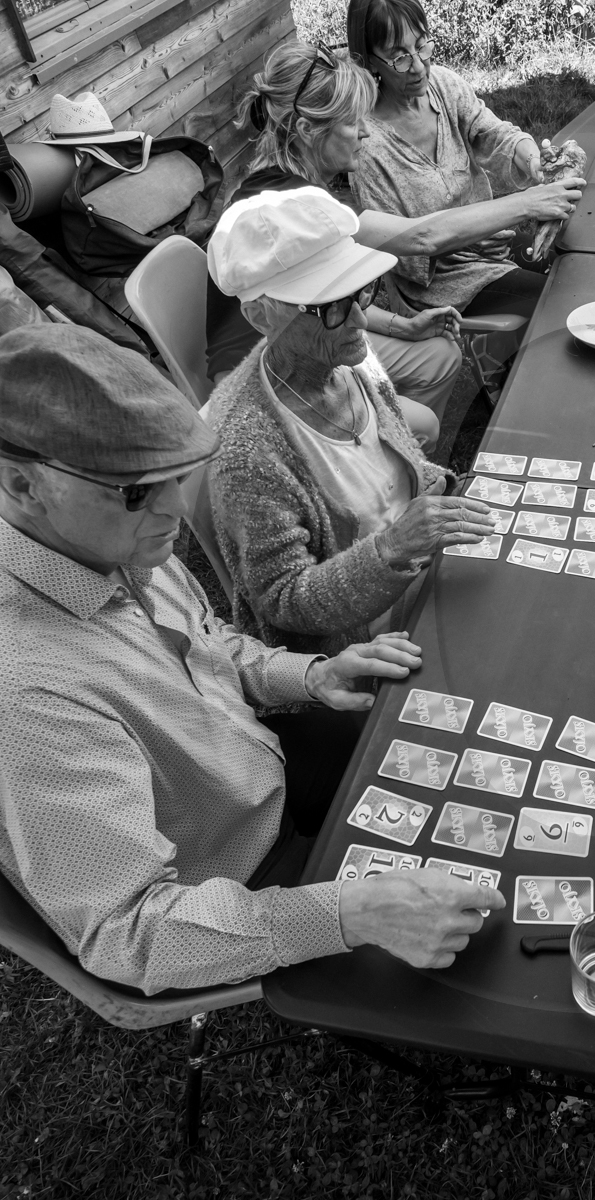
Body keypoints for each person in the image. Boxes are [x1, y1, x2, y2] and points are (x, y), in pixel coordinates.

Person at [0, 323, 504, 995]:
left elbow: (206, 649)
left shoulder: (105, 541)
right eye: (134, 490)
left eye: (179, 476)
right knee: (489, 938)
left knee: (475, 768)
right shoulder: (29, 696)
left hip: (264, 765)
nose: (176, 510)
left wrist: (310, 674)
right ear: (21, 485)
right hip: (233, 880)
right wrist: (351, 913)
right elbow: (129, 933)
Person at [205, 41, 584, 415]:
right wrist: (529, 202)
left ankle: (397, 445)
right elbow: (421, 237)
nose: (367, 134)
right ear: (306, 129)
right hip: (267, 372)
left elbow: (326, 303)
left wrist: (403, 327)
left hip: (308, 334)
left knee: (437, 358)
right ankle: (386, 443)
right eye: (354, 124)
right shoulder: (296, 209)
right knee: (419, 419)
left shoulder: (294, 187)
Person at [206, 187, 498, 658]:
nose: (361, 319)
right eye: (332, 306)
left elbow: (396, 471)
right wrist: (393, 549)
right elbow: (284, 602)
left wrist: (441, 490)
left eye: (361, 291)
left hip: (429, 579)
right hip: (362, 647)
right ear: (261, 315)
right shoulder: (247, 452)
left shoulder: (349, 362)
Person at [346, 0, 581, 319]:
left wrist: (534, 160)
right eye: (399, 57)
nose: (418, 66)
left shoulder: (442, 85)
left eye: (422, 46)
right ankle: (513, 366)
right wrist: (525, 204)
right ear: (369, 61)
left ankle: (512, 362)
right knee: (564, 305)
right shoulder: (367, 147)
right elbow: (405, 249)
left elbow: (495, 134)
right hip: (445, 283)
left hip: (492, 246)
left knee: (582, 268)